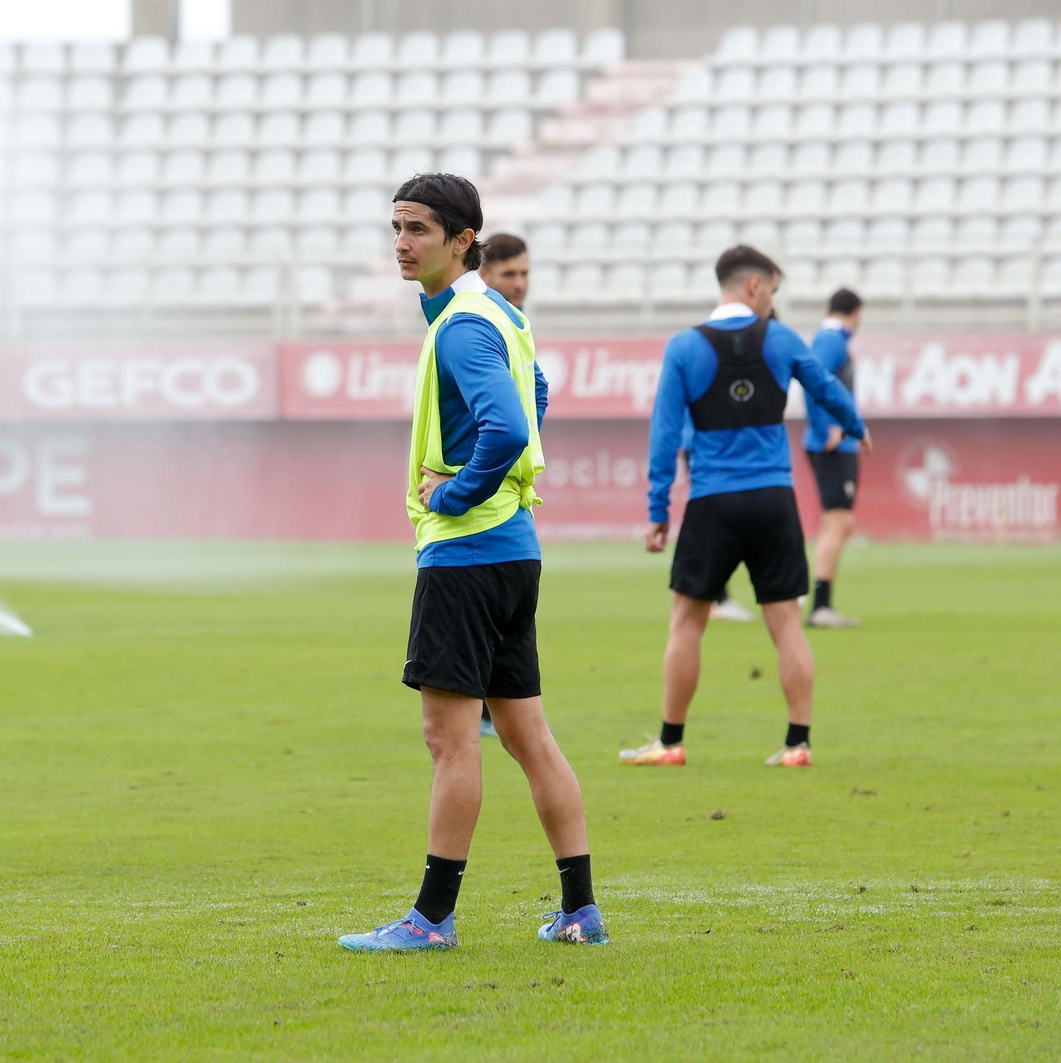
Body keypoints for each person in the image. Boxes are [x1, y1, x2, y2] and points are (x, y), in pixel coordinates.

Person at [338, 174, 606, 952]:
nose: (401, 242)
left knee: (449, 739)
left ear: (463, 242)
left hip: (467, 556)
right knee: (530, 738)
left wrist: (455, 498)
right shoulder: (494, 314)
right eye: (395, 227)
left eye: (417, 229)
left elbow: (511, 426)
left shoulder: (462, 324)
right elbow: (538, 390)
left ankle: (430, 920)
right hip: (513, 551)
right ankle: (580, 912)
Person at [622, 246, 870, 769]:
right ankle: (797, 744)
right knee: (786, 624)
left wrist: (658, 508)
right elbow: (825, 388)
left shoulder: (684, 348)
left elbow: (665, 434)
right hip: (774, 500)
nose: (772, 302)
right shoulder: (779, 339)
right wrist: (855, 425)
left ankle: (669, 743)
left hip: (713, 501)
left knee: (687, 624)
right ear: (755, 285)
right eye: (774, 292)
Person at [477, 233, 550, 737]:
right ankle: (487, 706)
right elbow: (530, 399)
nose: (520, 284)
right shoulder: (485, 320)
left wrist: (472, 479)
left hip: (484, 514)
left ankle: (484, 706)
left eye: (524, 274)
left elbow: (533, 395)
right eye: (509, 275)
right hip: (501, 515)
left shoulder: (507, 321)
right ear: (484, 274)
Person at [804, 288, 866, 629]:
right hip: (832, 444)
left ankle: (819, 601)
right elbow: (814, 384)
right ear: (856, 311)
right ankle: (820, 605)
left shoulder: (833, 339)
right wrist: (826, 426)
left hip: (837, 442)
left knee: (838, 523)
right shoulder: (830, 340)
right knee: (839, 522)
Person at [680, 414, 755, 623]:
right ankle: (716, 598)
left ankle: (717, 597)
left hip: (720, 444)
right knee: (714, 521)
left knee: (728, 518)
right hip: (705, 444)